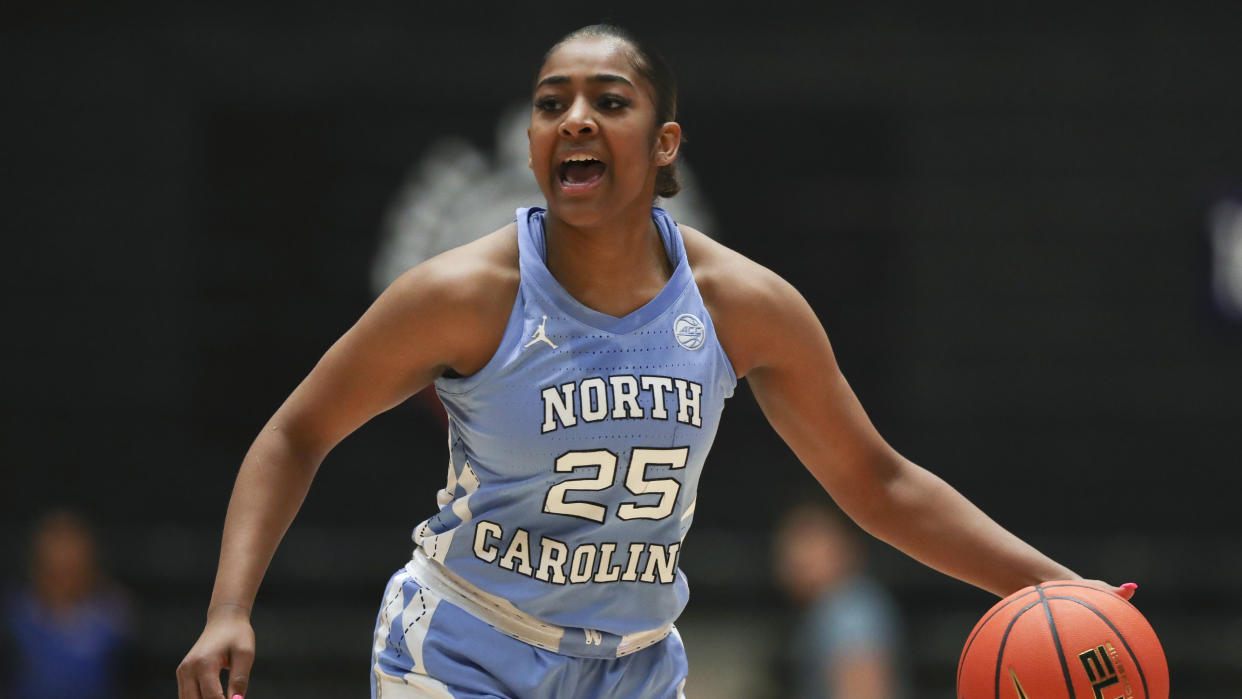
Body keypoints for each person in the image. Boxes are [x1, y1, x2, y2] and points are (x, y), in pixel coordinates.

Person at [176, 23, 1135, 699]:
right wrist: (229, 609)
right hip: (463, 648)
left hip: (633, 667)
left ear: (665, 144)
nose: (577, 117)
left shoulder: (741, 304)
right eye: (554, 104)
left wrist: (1054, 584)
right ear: (533, 144)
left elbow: (877, 481)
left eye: (609, 100)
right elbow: (296, 431)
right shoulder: (465, 293)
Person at [772, 501, 905, 699]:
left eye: (811, 541)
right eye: (789, 543)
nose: (797, 557)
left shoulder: (851, 611)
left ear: (847, 547)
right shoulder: (828, 608)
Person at [4, 509, 134, 699]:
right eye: (56, 568)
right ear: (38, 566)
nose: (66, 574)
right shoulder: (14, 614)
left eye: (72, 565)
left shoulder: (115, 615)